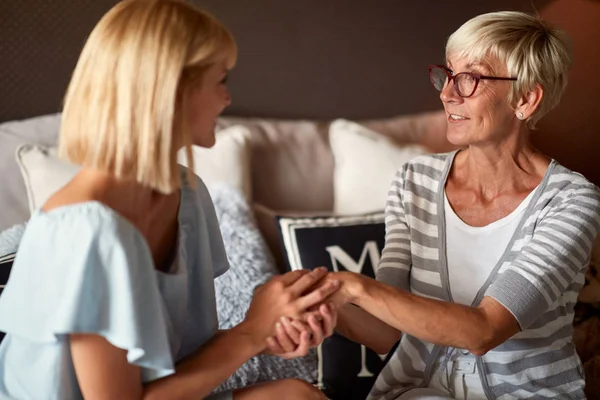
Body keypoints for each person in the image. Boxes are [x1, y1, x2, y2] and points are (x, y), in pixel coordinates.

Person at [0, 1, 337, 399]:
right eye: (221, 79)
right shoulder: (85, 231)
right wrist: (250, 333)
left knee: (297, 395)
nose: (227, 98)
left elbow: (174, 362)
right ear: (171, 93)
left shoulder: (188, 196)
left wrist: (270, 329)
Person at [312, 11, 600, 399]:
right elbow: (383, 334)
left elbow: (483, 332)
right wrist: (321, 301)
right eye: (448, 74)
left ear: (526, 99)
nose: (447, 93)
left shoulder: (570, 201)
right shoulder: (414, 182)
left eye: (470, 78)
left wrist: (353, 287)